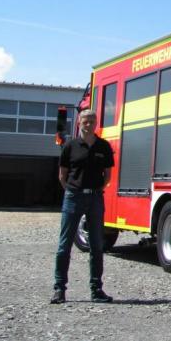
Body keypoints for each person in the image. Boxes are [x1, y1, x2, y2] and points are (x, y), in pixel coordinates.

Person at [51, 109, 115, 304]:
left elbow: (108, 176)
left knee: (97, 245)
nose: (89, 124)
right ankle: (59, 290)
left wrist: (96, 190)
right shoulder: (70, 146)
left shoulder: (103, 146)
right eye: (86, 121)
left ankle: (97, 290)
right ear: (79, 123)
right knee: (65, 245)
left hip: (95, 198)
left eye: (92, 121)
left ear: (96, 124)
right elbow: (62, 175)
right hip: (73, 197)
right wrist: (72, 190)